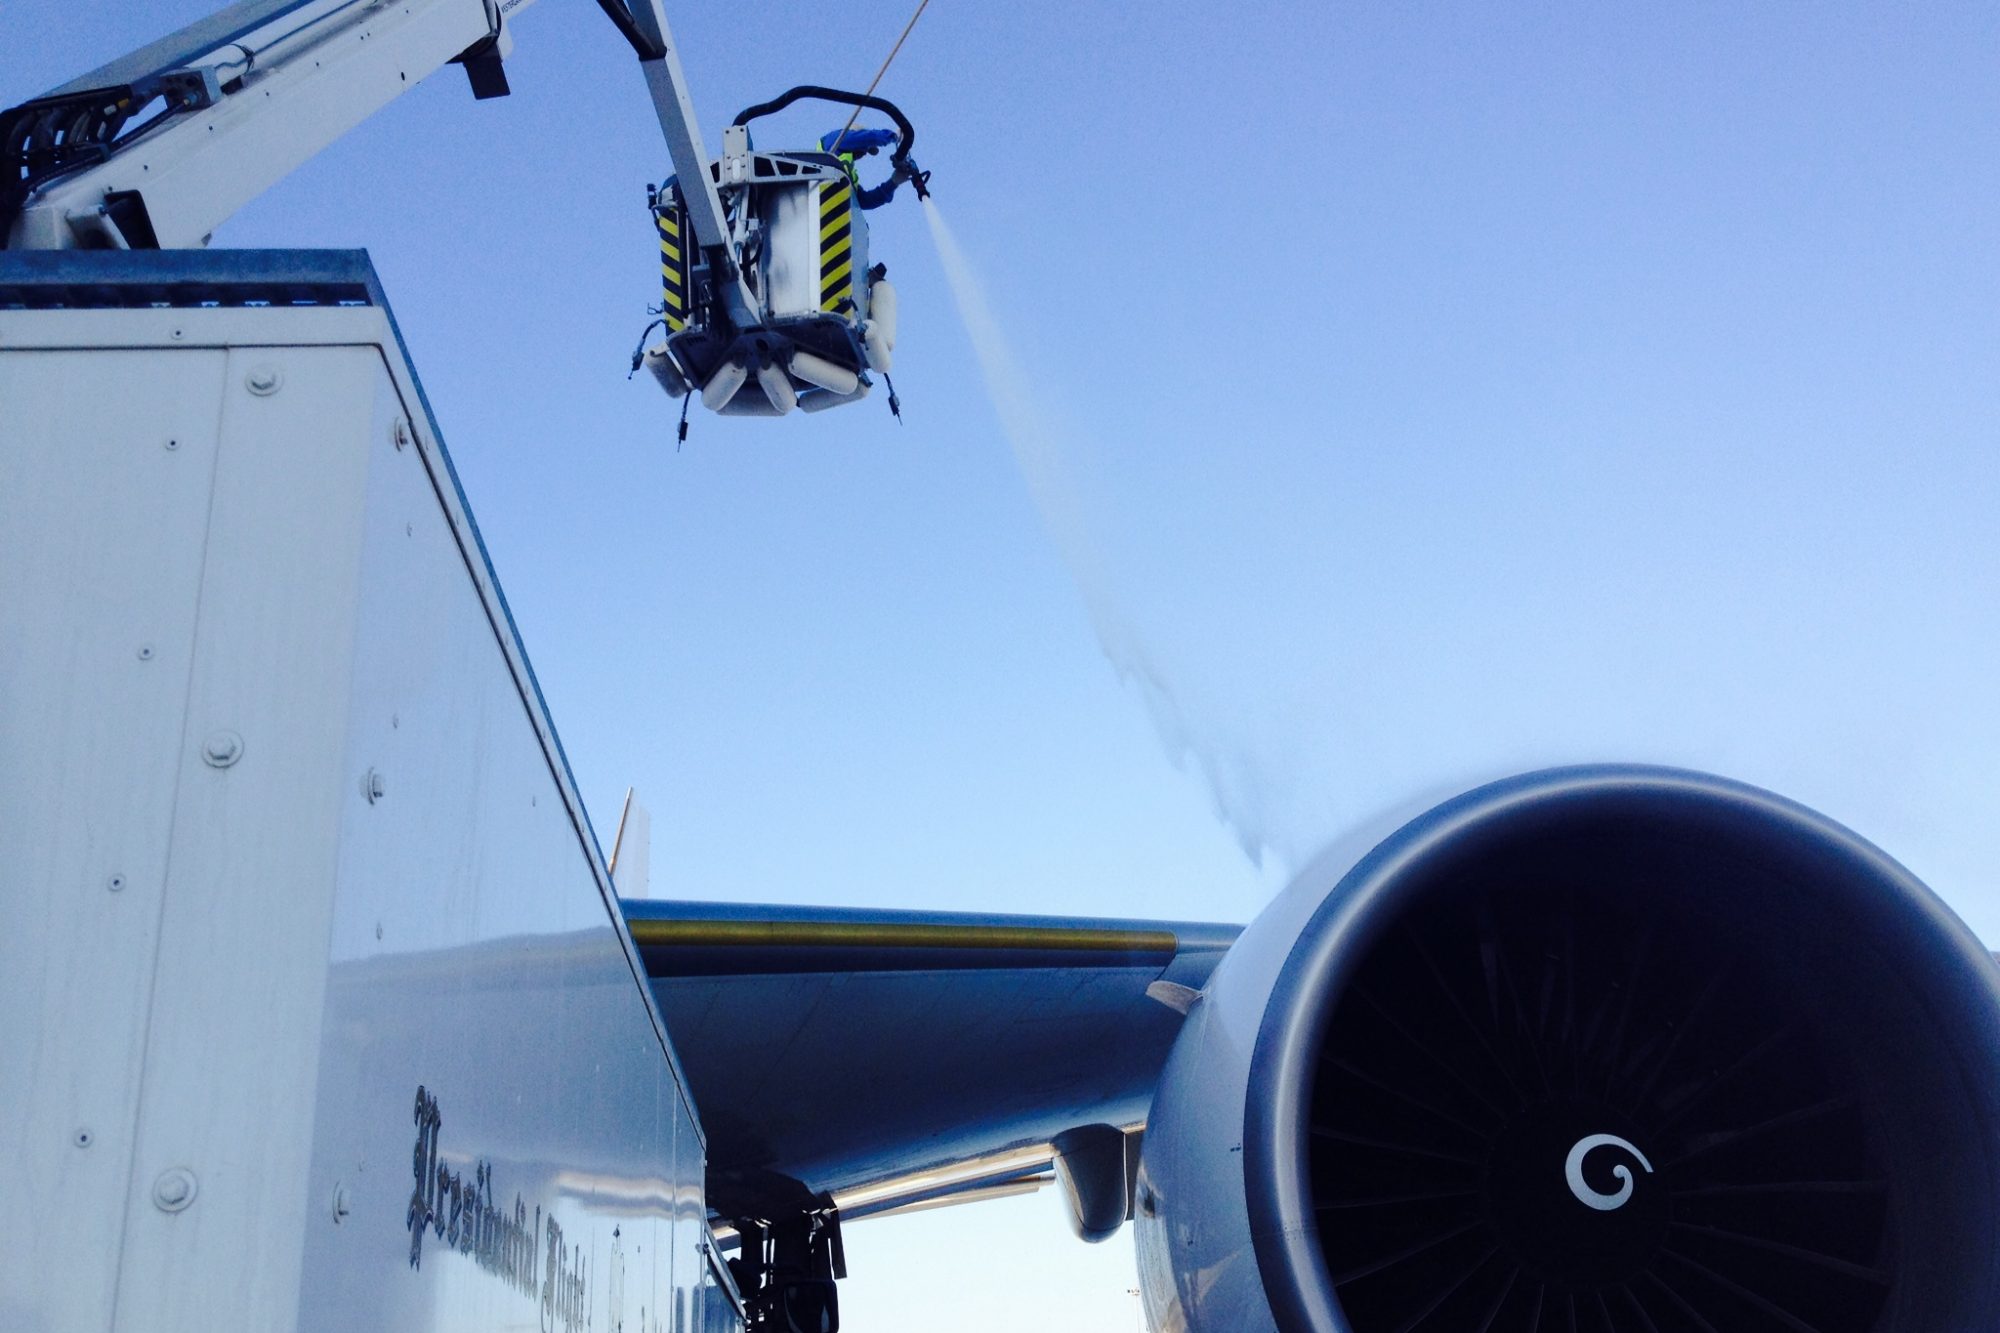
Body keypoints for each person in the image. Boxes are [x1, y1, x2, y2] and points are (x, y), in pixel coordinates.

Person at [819, 126, 918, 210]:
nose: (865, 153)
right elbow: (867, 138)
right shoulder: (833, 140)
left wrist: (894, 181)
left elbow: (864, 201)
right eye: (866, 147)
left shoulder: (846, 175)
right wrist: (894, 137)